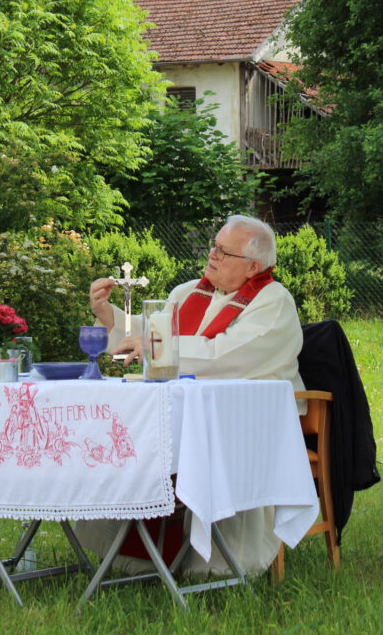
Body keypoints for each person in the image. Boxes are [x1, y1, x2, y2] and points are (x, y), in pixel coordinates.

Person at [79, 214, 305, 576]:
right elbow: (144, 336)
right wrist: (109, 316)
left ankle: (213, 563)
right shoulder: (187, 293)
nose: (212, 254)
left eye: (222, 251)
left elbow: (232, 356)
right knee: (123, 435)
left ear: (252, 267)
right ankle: (130, 554)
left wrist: (157, 346)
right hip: (187, 409)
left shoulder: (273, 301)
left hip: (250, 417)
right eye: (213, 246)